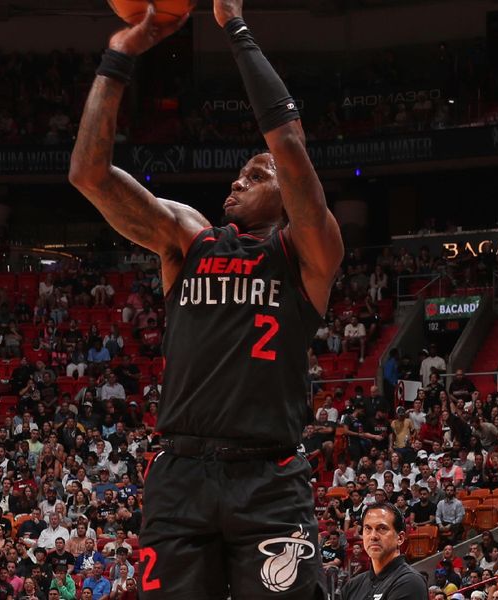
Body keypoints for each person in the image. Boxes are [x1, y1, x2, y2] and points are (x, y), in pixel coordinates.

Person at [68, 0, 343, 597]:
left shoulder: (310, 252)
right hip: (181, 474)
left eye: (255, 174)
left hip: (269, 479)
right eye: (240, 174)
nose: (237, 181)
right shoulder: (188, 237)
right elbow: (89, 174)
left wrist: (235, 29)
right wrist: (118, 57)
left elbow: (289, 141)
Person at [341, 503, 428, 599]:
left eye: (382, 528)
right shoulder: (352, 585)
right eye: (368, 528)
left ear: (400, 538)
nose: (373, 536)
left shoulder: (410, 582)